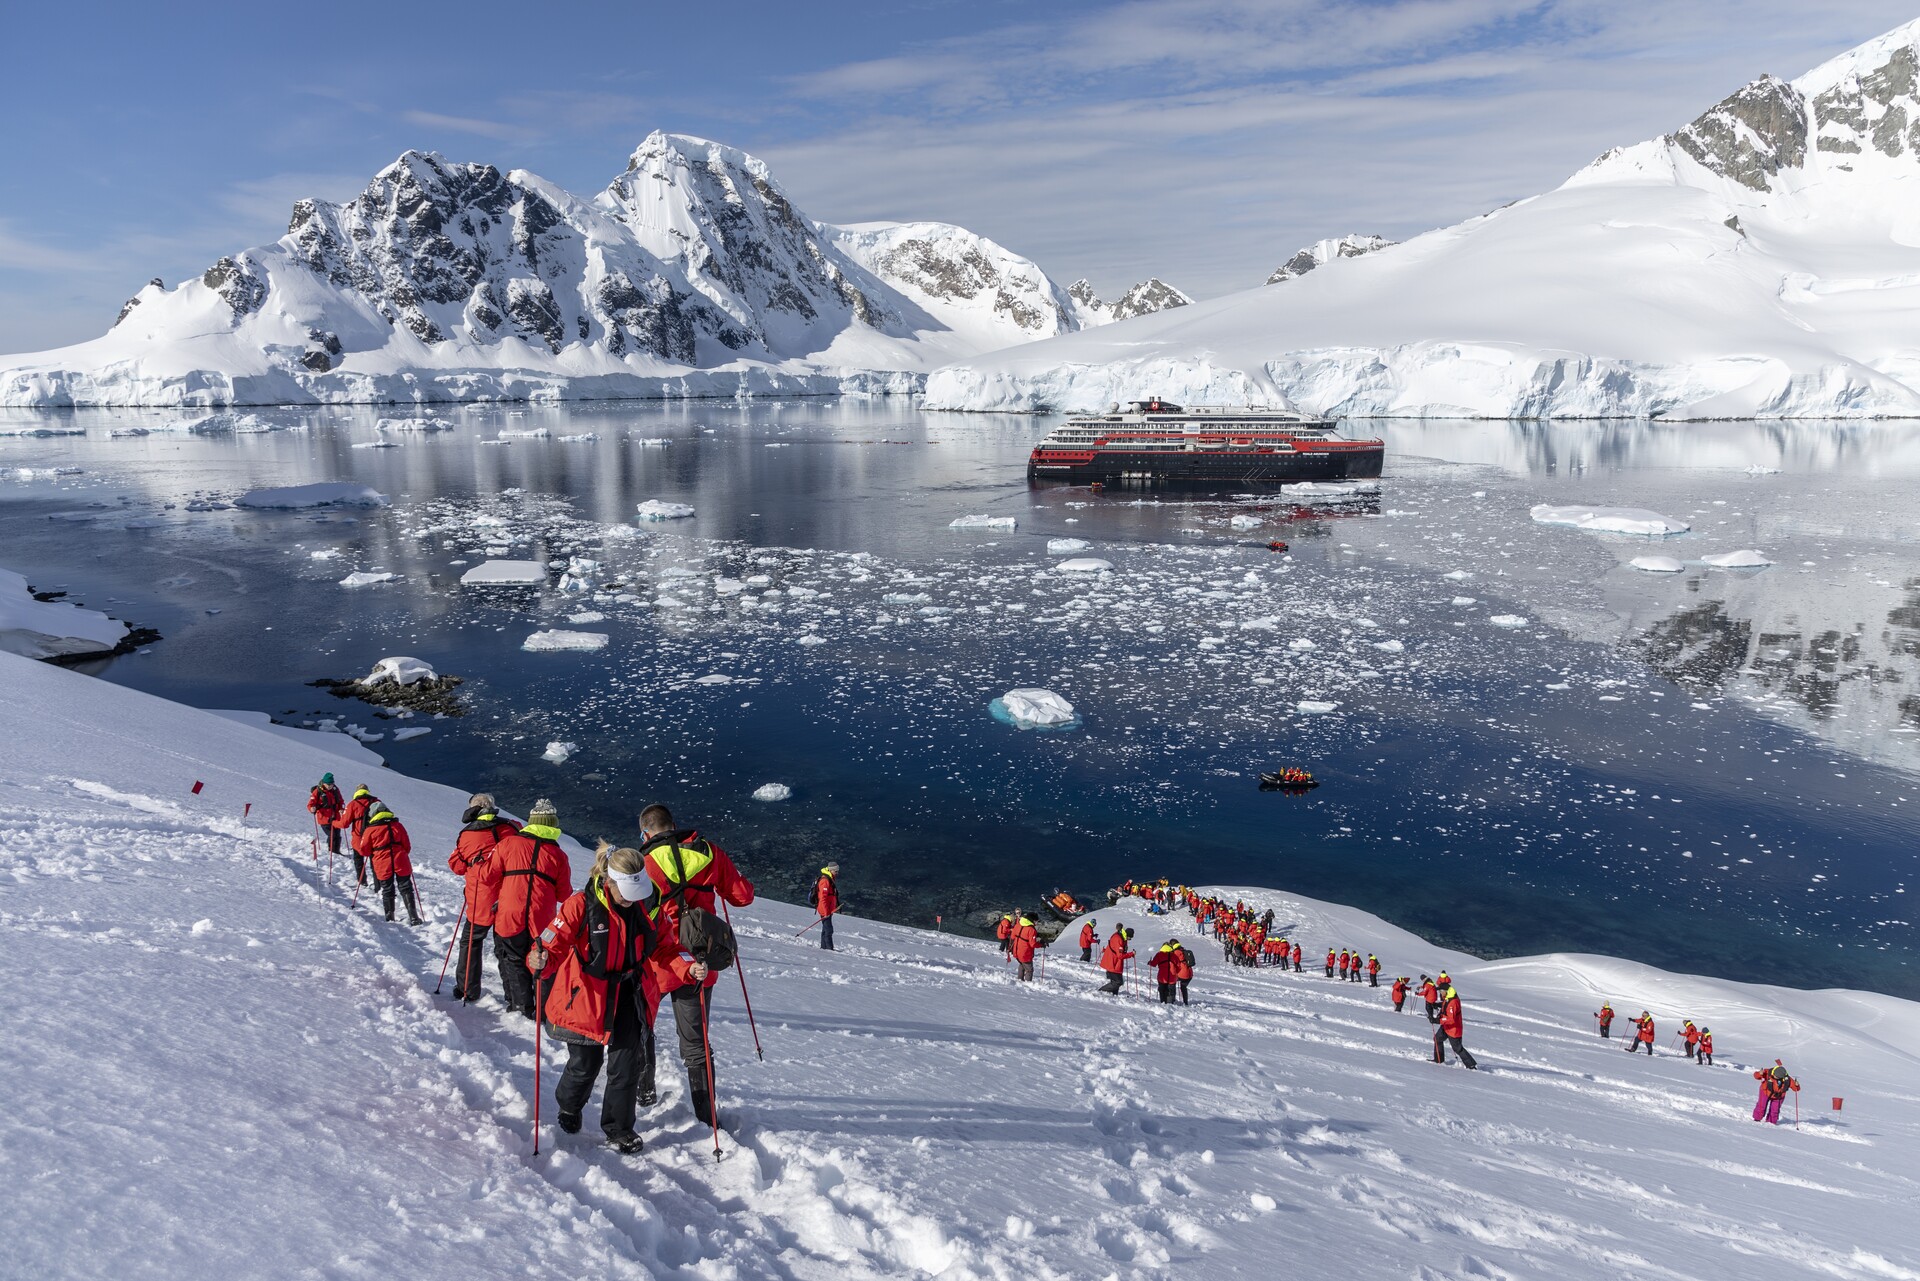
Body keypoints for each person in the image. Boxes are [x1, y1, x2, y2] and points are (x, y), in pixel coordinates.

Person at [529, 843, 698, 1155]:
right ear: (609, 882)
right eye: (625, 893)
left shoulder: (648, 906)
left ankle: (619, 1129)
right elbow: (551, 942)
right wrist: (539, 959)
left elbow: (668, 947)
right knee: (584, 1064)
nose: (632, 900)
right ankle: (569, 1106)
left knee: (626, 1066)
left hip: (630, 993)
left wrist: (688, 966)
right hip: (586, 996)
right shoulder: (580, 904)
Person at [636, 804, 755, 1127]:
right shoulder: (710, 852)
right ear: (674, 825)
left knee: (641, 1027)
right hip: (701, 957)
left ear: (646, 833)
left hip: (660, 959)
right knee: (696, 1041)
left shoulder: (646, 863)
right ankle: (707, 1115)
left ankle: (644, 1091)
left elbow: (639, 912)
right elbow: (743, 896)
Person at [479, 798, 574, 1020]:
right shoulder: (559, 855)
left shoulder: (508, 844)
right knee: (541, 960)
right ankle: (544, 1011)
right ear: (553, 825)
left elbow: (486, 877)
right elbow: (564, 894)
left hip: (509, 914)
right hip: (542, 919)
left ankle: (521, 1008)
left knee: (513, 959)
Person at [446, 793, 519, 1003]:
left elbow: (457, 866)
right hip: (510, 895)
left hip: (481, 898)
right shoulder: (511, 828)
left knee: (471, 942)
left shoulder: (467, 835)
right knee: (507, 947)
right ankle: (516, 998)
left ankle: (467, 989)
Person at [355, 802, 422, 925]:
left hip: (382, 861)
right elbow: (407, 845)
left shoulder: (370, 830)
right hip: (400, 859)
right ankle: (413, 916)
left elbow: (364, 850)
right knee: (406, 887)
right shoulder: (398, 825)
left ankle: (390, 917)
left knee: (387, 889)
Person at [336, 784, 382, 885]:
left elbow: (344, 824)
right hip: (375, 838)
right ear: (367, 791)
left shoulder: (353, 804)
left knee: (359, 861)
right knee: (375, 862)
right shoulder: (377, 802)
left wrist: (334, 822)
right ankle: (378, 886)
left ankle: (362, 882)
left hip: (359, 838)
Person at [1433, 985, 1478, 1069]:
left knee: (1457, 1048)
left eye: (1441, 991)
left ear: (1445, 990)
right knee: (1437, 1039)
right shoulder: (1448, 997)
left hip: (1453, 1029)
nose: (1440, 993)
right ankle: (1438, 1059)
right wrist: (1437, 1005)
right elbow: (1445, 1005)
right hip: (1446, 1026)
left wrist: (1438, 1020)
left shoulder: (1453, 1002)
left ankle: (1471, 1065)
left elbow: (1451, 1019)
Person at [307, 772, 344, 858]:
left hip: (335, 817)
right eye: (328, 784)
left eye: (331, 784)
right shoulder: (317, 792)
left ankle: (336, 851)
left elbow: (341, 801)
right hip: (324, 818)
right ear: (324, 783)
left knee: (337, 835)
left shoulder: (335, 790)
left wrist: (341, 809)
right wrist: (312, 808)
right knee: (332, 834)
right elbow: (310, 804)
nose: (330, 786)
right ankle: (332, 852)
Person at [810, 862, 840, 950]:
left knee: (825, 929)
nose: (837, 873)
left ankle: (824, 948)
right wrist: (826, 912)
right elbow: (822, 898)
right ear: (831, 870)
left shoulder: (830, 879)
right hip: (825, 910)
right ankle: (829, 949)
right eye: (836, 871)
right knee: (829, 930)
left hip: (828, 909)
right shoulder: (825, 881)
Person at [1008, 912, 1045, 981]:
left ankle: (1020, 980)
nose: (1036, 923)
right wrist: (1041, 944)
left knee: (1022, 964)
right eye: (1036, 921)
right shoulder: (1031, 929)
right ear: (1032, 920)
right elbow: (1033, 944)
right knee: (1029, 970)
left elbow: (1012, 937)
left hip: (1016, 951)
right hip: (1025, 953)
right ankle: (1028, 984)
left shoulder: (1018, 924)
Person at [1098, 925, 1135, 995]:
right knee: (1118, 982)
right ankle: (1101, 991)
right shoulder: (1119, 939)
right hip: (1112, 962)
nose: (1129, 940)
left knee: (1115, 981)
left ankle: (1114, 995)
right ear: (1127, 935)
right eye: (1129, 938)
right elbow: (1120, 956)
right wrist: (1131, 954)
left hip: (1115, 963)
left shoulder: (1122, 937)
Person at [1176, 940, 1195, 1005]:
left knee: (1170, 983)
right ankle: (1185, 1002)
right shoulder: (1184, 951)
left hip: (1182, 974)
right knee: (1183, 987)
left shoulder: (1176, 952)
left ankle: (1170, 999)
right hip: (1189, 974)